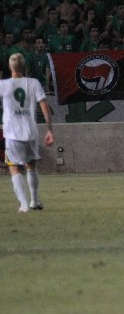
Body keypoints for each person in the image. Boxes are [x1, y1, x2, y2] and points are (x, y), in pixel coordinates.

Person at [1, 53, 54, 213]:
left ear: (10, 67)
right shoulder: (33, 83)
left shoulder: (4, 84)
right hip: (30, 132)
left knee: (14, 167)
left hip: (12, 133)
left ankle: (24, 204)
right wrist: (50, 129)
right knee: (31, 166)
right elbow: (44, 106)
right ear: (24, 67)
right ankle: (35, 201)